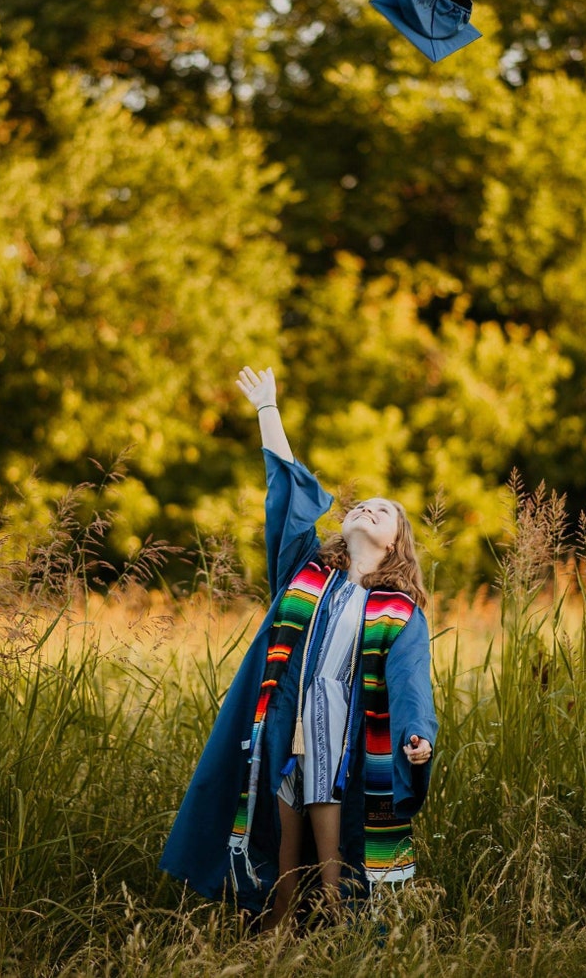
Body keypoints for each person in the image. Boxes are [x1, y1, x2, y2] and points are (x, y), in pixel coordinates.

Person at [159, 366, 437, 924]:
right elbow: (288, 493)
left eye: (383, 511)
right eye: (362, 505)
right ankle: (278, 922)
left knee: (331, 830)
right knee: (282, 821)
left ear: (395, 543)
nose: (366, 509)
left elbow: (409, 681)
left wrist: (416, 735)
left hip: (344, 724)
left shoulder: (398, 611)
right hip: (286, 715)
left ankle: (336, 917)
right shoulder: (306, 574)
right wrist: (268, 410)